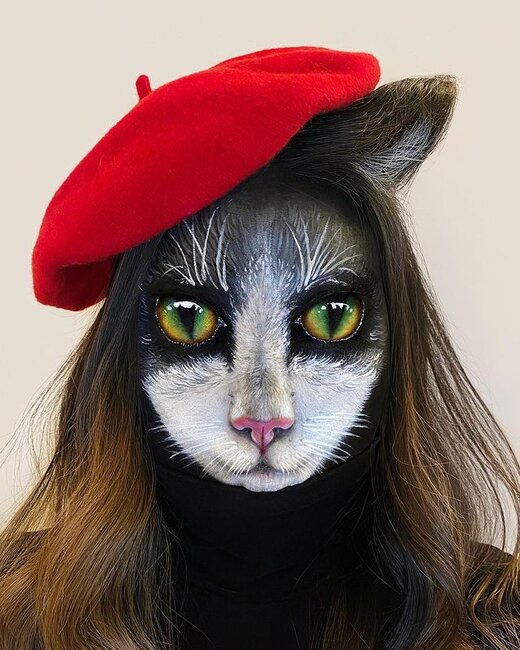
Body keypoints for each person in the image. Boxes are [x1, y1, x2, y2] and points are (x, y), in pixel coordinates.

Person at [1, 46, 518, 649]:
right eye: (190, 320)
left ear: (398, 330)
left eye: (329, 318)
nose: (264, 413)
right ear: (121, 349)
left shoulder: (497, 621)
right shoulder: (18, 611)